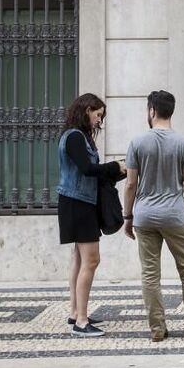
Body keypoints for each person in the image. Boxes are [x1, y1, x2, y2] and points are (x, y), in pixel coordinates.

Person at [123, 90, 184, 342]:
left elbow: (130, 184)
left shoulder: (136, 142)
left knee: (150, 274)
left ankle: (157, 329)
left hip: (144, 215)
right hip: (175, 215)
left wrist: (128, 216)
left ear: (152, 110)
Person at [57, 93, 126, 337]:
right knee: (91, 259)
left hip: (76, 202)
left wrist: (116, 171)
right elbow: (87, 169)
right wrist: (115, 166)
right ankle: (82, 322)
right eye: (98, 115)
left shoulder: (77, 136)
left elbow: (91, 172)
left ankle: (75, 312)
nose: (99, 120)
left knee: (78, 257)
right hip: (78, 203)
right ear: (87, 110)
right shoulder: (75, 137)